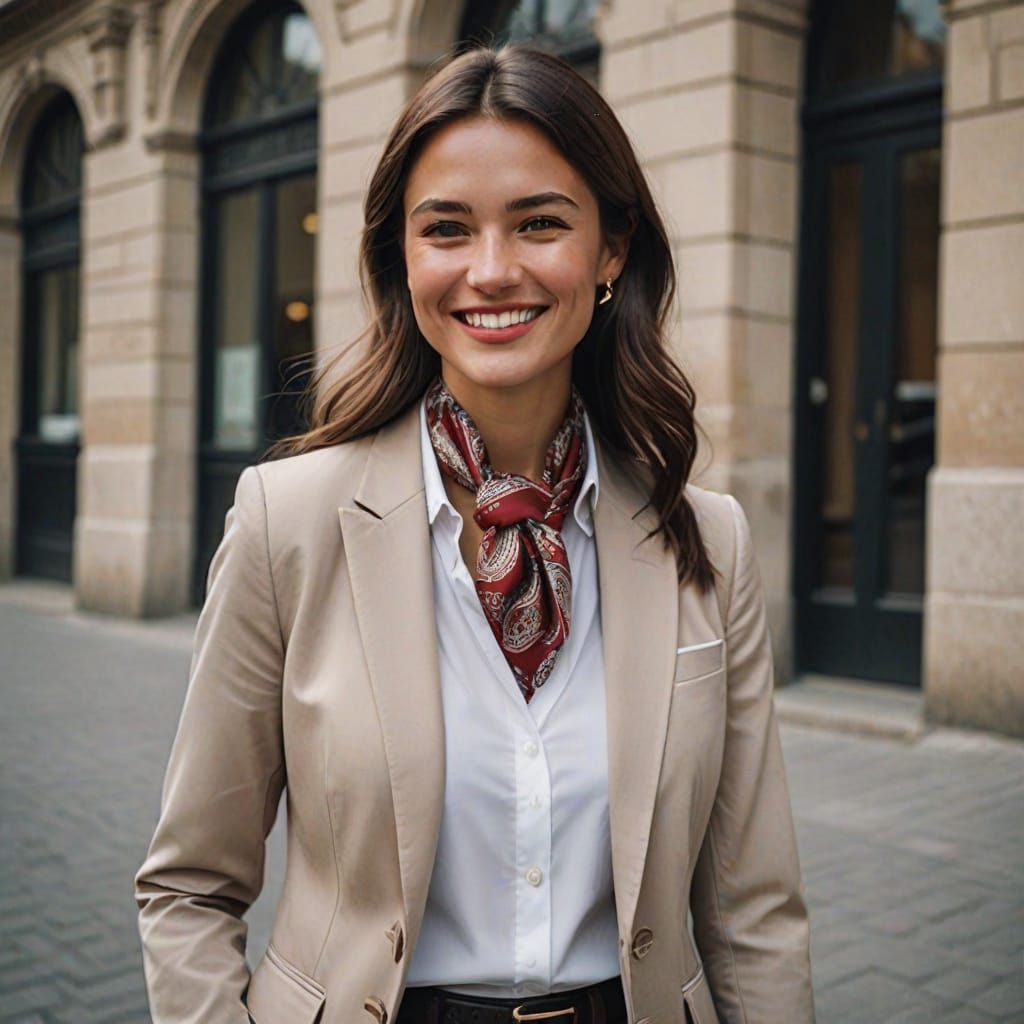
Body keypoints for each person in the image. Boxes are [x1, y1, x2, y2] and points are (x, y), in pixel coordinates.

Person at [135, 44, 814, 1024]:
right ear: (402, 261)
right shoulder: (287, 519)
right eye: (445, 229)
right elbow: (189, 886)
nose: (491, 272)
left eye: (539, 223)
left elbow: (755, 911)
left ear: (611, 249)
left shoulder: (707, 539)